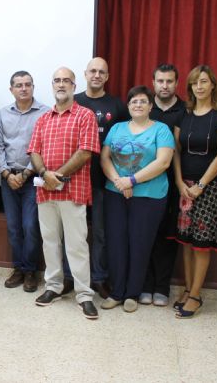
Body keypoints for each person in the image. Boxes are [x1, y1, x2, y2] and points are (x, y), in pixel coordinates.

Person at [28, 67, 100, 320]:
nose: (61, 84)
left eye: (66, 81)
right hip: (45, 193)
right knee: (50, 242)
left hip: (73, 190)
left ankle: (84, 295)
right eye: (57, 80)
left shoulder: (85, 115)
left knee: (77, 245)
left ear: (73, 85)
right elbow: (34, 151)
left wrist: (55, 175)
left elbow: (85, 152)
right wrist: (45, 172)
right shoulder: (43, 119)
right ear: (52, 85)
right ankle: (54, 286)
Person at [99, 86, 175, 313]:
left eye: (143, 101)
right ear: (128, 106)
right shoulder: (117, 128)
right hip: (116, 193)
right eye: (133, 102)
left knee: (140, 244)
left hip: (149, 196)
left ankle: (132, 293)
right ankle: (117, 292)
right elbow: (104, 158)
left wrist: (131, 181)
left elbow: (163, 163)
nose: (138, 105)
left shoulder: (161, 130)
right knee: (116, 243)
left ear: (151, 106)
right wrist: (118, 181)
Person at [173, 65, 217, 318]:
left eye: (204, 82)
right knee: (186, 243)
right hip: (184, 186)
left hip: (207, 189)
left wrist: (200, 185)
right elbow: (176, 150)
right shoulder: (183, 114)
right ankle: (188, 288)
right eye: (195, 82)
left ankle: (196, 295)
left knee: (201, 245)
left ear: (213, 86)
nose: (199, 86)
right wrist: (179, 183)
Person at [74, 57, 128, 299]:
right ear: (85, 74)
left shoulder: (117, 106)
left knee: (99, 234)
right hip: (74, 179)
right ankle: (71, 278)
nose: (96, 75)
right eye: (92, 71)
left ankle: (98, 278)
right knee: (74, 234)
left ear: (107, 77)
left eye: (101, 72)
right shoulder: (74, 103)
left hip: (103, 181)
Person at [0, 70, 48, 292]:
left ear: (33, 87)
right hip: (8, 179)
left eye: (28, 84)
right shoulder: (3, 113)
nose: (24, 88)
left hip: (32, 178)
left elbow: (43, 147)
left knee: (30, 226)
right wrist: (7, 174)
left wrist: (25, 173)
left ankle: (30, 271)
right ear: (12, 89)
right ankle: (18, 268)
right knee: (13, 227)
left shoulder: (45, 113)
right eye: (19, 85)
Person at [140, 64, 186, 307]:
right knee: (145, 234)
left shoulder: (186, 110)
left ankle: (162, 287)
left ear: (176, 83)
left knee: (168, 237)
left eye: (169, 81)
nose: (164, 85)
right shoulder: (145, 108)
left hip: (176, 183)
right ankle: (145, 285)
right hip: (146, 184)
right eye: (160, 81)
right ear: (153, 83)